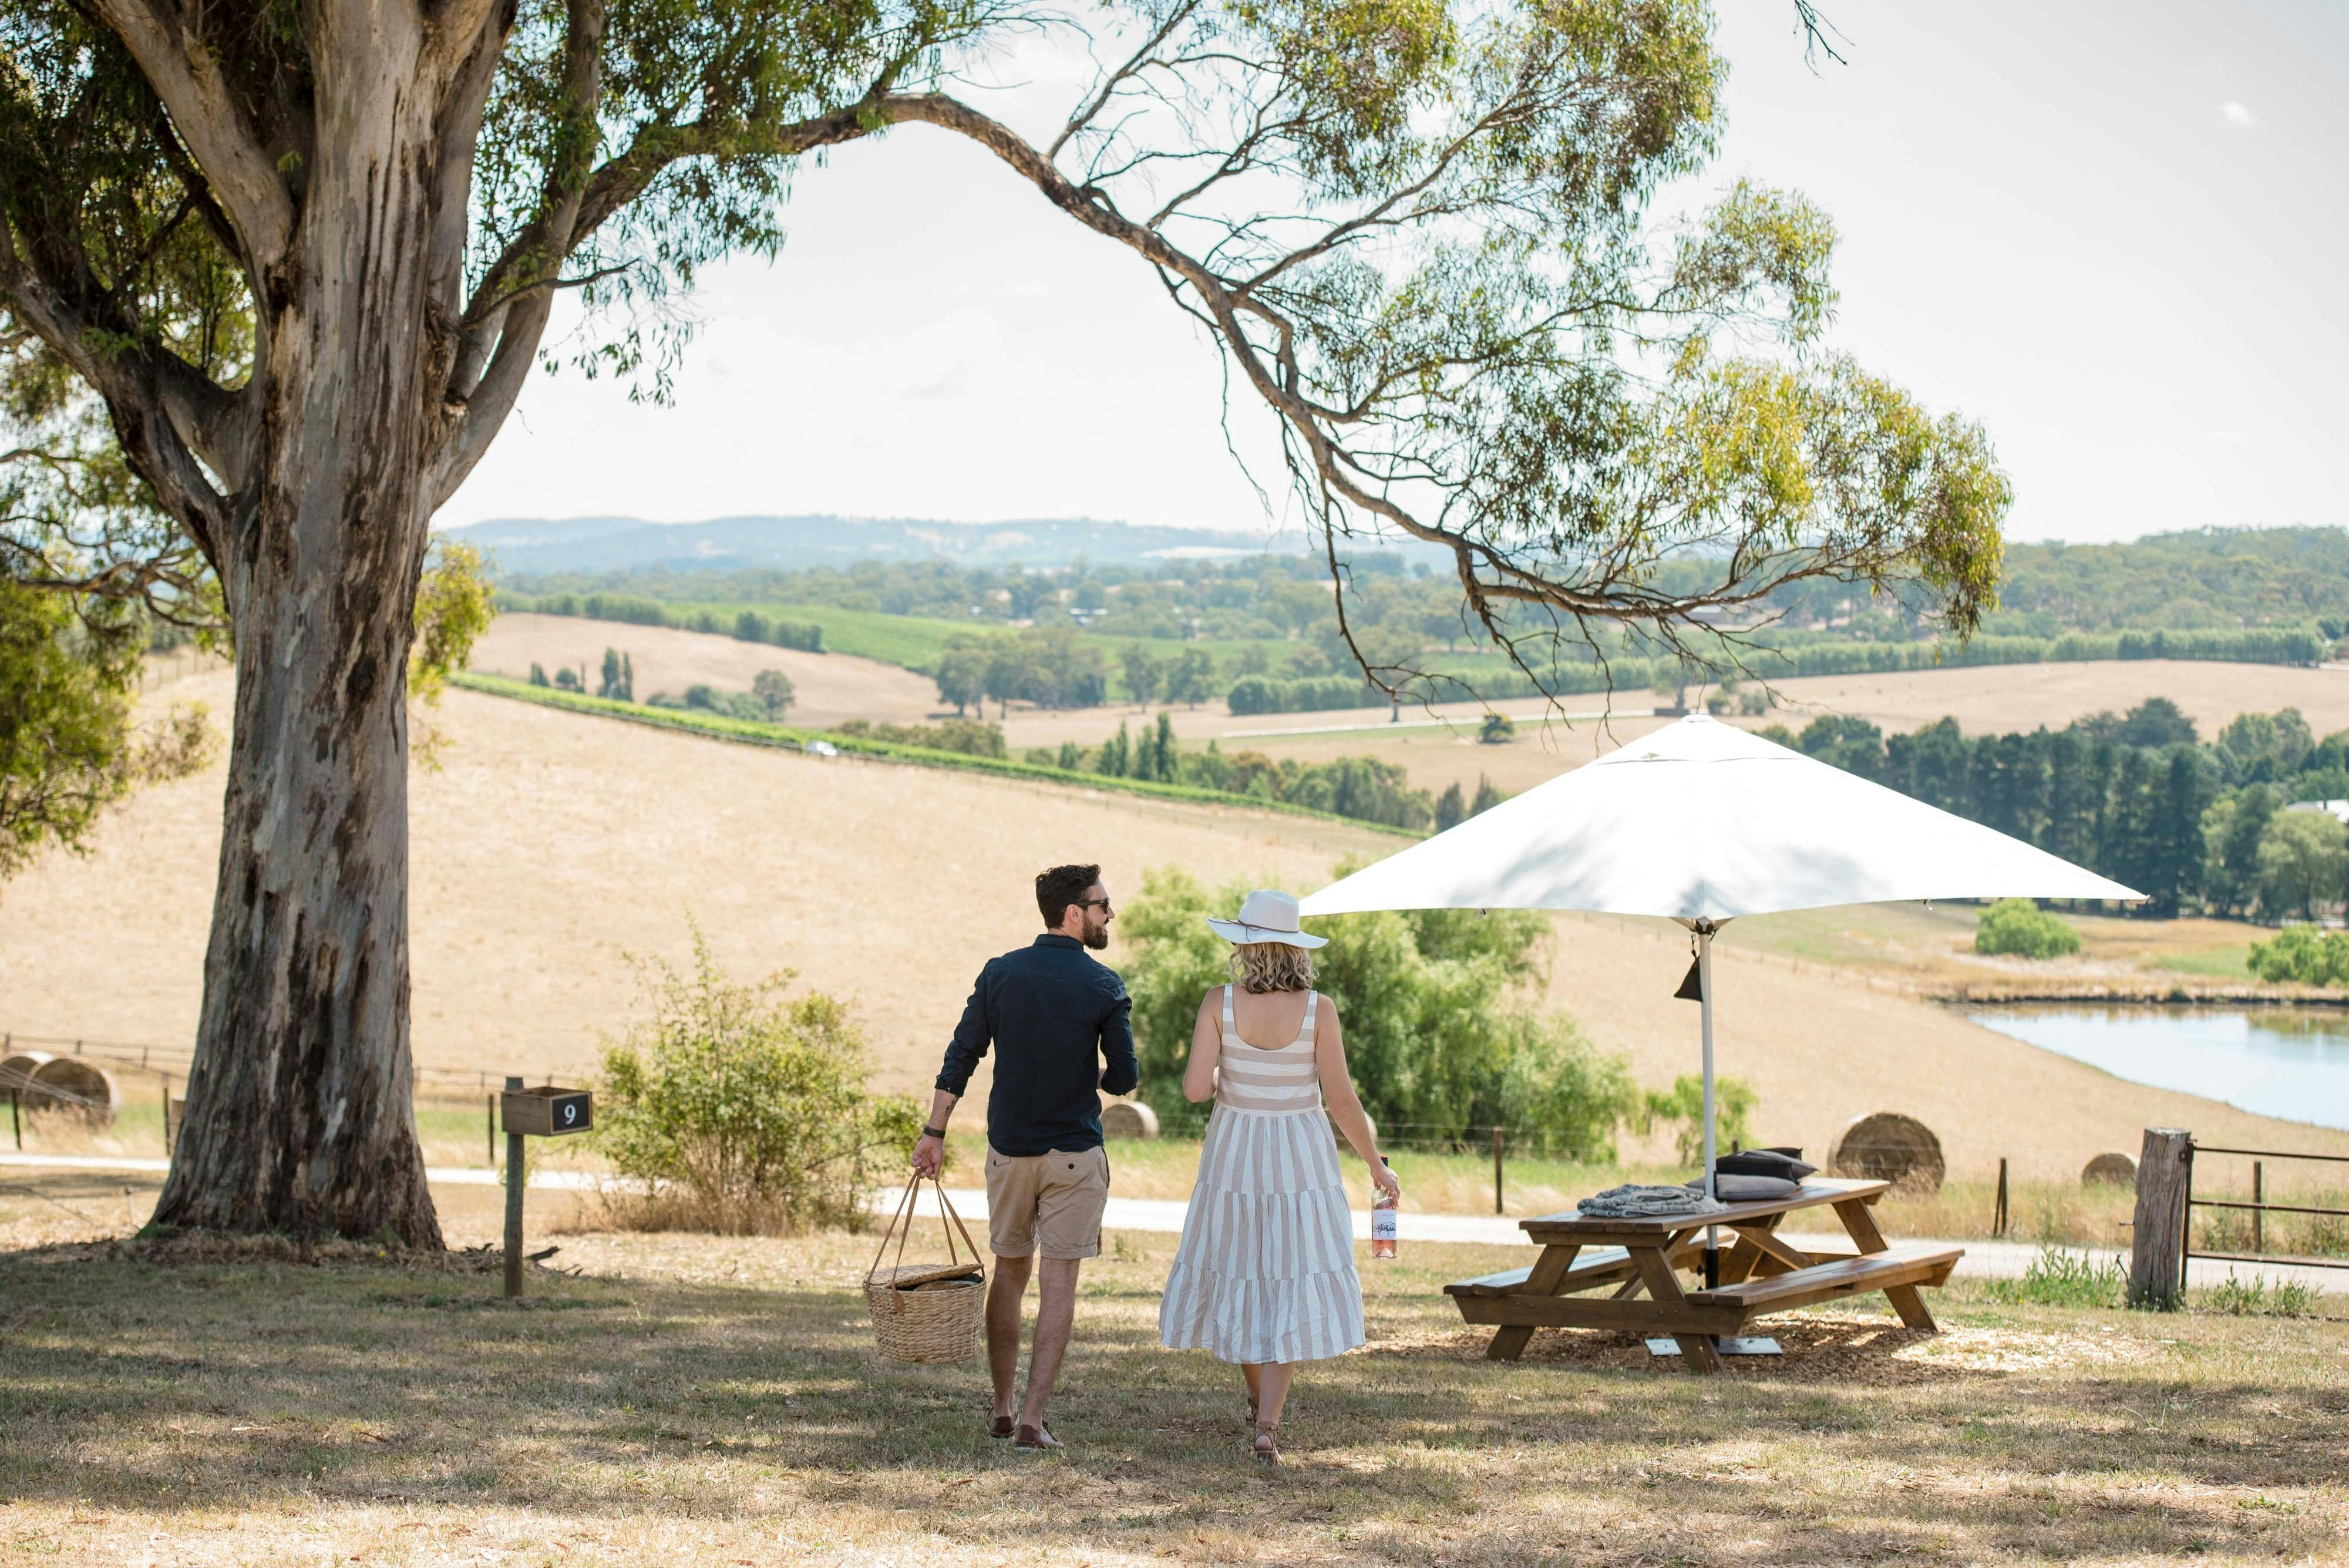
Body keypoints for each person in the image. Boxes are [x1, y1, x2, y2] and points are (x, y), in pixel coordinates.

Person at [1157, 887, 1397, 1465]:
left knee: (1238, 1267)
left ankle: (1254, 1393)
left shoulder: (1219, 1002)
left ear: (1243, 946)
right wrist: (1375, 1164)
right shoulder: (1320, 1009)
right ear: (1295, 949)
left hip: (1235, 1150)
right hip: (1299, 1153)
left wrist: (1227, 1084)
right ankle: (1267, 1422)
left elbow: (1193, 1090)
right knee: (1288, 1272)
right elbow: (1341, 1100)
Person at [913, 863, 1136, 1453]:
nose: (1109, 914)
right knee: (1059, 1283)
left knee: (1010, 1272)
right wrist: (1098, 1068)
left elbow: (961, 1054)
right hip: (1074, 1156)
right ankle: (1035, 1420)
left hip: (1009, 1153)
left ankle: (1003, 1408)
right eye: (1103, 904)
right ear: (1074, 912)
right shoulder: (1105, 987)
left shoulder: (1000, 974)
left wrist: (934, 1131)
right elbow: (1124, 1080)